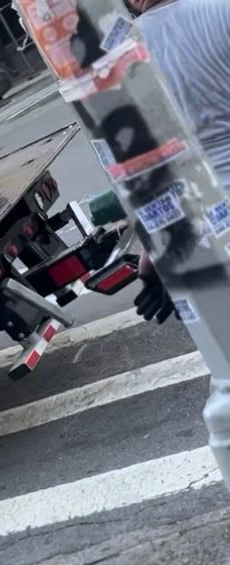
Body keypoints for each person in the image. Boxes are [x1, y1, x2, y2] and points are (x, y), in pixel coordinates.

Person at [126, 0, 230, 323]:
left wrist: (154, 253)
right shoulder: (222, 10)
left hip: (211, 227)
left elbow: (150, 170)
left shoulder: (126, 54)